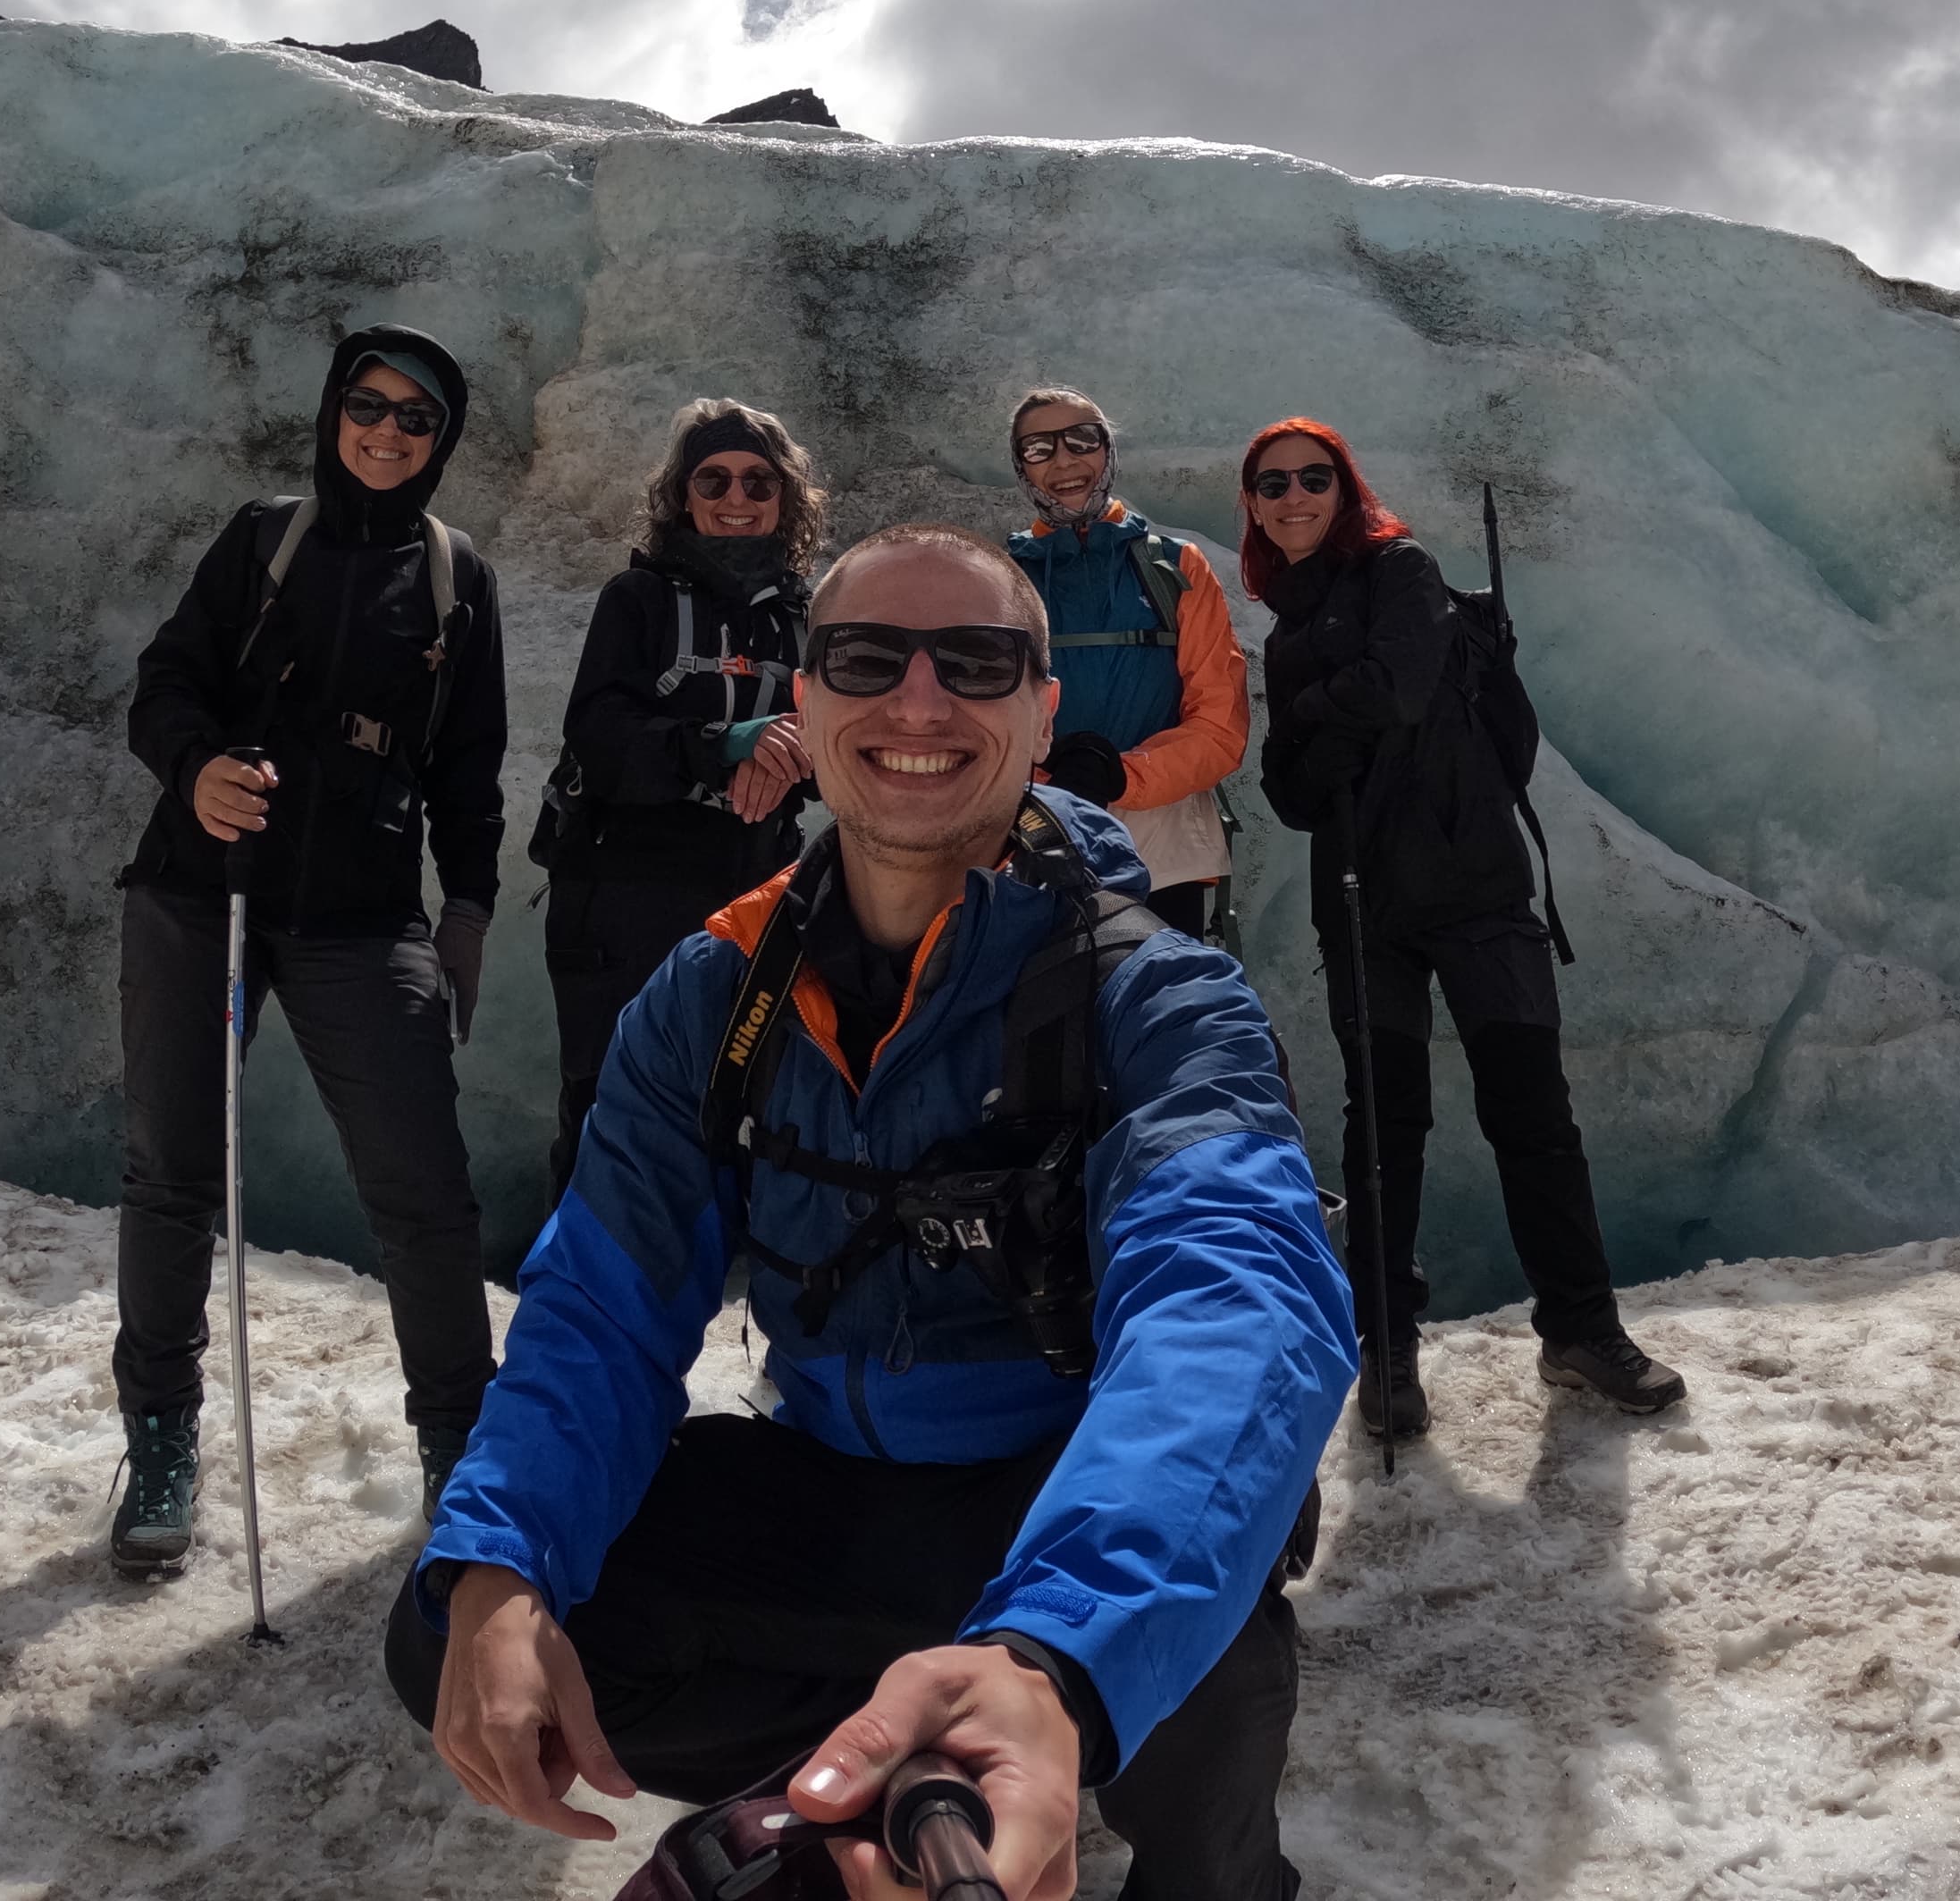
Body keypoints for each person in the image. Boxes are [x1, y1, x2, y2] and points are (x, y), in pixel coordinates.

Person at [392, 524, 1352, 1901]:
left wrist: (1053, 1651)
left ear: (1042, 711)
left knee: (1205, 1657)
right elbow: (603, 1306)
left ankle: (1152, 1828)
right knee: (460, 1620)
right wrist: (503, 1554)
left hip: (1059, 1487)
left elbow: (1238, 1298)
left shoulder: (1156, 998)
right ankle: (881, 1788)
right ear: (804, 694)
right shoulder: (717, 994)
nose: (918, 702)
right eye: (865, 658)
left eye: (976, 662)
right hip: (838, 1493)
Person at [105, 326, 508, 1572]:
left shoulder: (456, 577)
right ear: (334, 410)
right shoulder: (261, 539)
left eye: (417, 418)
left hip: (362, 912)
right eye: (369, 407)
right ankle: (161, 1442)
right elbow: (164, 686)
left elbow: (468, 766)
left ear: (441, 441)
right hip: (201, 890)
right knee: (174, 1175)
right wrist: (196, 769)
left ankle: (461, 1444)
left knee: (423, 1195)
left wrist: (468, 911)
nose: (387, 432)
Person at [1243, 416, 1682, 1441]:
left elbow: (1394, 690)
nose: (1294, 496)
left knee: (1532, 1113)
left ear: (1344, 490)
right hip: (1361, 898)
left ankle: (1581, 1329)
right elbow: (1289, 793)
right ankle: (1387, 1349)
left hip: (1478, 887)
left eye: (1315, 478)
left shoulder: (1403, 568)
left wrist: (1319, 719)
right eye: (1273, 485)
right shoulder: (1285, 628)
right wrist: (1320, 733)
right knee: (1383, 1132)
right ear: (1255, 507)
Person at [534, 399, 823, 1201]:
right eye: (714, 479)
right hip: (623, 891)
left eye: (760, 483)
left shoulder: (808, 617)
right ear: (683, 495)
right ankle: (590, 1301)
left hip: (756, 887)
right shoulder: (640, 600)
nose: (738, 498)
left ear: (784, 499)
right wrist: (728, 746)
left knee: (745, 1103)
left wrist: (792, 748)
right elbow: (599, 731)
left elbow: (846, 741)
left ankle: (721, 1296)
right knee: (610, 1101)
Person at [1003, 389, 1250, 946]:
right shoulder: (1002, 577)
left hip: (1162, 846)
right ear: (1022, 468)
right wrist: (1055, 789)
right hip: (1035, 833)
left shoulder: (1174, 567)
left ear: (1108, 450)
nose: (1064, 461)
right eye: (1040, 448)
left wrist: (1120, 776)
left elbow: (1219, 724)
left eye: (1082, 440)